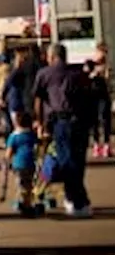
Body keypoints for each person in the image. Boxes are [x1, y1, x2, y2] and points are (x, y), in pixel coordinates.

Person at [32, 42, 92, 217]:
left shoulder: (44, 74)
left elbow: (37, 99)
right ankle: (75, 197)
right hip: (80, 121)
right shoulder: (78, 74)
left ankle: (77, 200)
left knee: (66, 160)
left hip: (61, 122)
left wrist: (40, 123)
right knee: (78, 160)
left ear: (51, 57)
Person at [3, 111, 38, 214]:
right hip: (31, 163)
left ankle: (25, 204)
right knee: (29, 184)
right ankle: (27, 203)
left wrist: (6, 161)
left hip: (18, 164)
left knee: (21, 184)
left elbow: (8, 153)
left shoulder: (14, 136)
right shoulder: (31, 135)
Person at [87, 46, 111, 158]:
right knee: (94, 121)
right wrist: (93, 73)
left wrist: (103, 72)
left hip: (103, 96)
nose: (101, 55)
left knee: (105, 119)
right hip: (92, 96)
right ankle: (97, 145)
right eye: (99, 52)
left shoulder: (106, 66)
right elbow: (86, 76)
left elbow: (108, 79)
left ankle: (106, 145)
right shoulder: (90, 64)